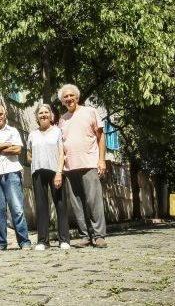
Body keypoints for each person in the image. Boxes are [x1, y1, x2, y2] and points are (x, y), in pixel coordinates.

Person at [58, 83, 108, 248]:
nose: (69, 99)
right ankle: (85, 236)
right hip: (70, 167)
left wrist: (101, 160)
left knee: (93, 202)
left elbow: (100, 137)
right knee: (77, 205)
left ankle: (99, 236)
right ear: (62, 101)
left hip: (89, 163)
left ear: (77, 97)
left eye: (71, 95)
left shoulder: (90, 112)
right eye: (65, 97)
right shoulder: (62, 119)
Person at [0, 105, 32, 250]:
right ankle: (1, 243)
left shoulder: (13, 131)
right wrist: (5, 145)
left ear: (5, 115)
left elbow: (17, 149)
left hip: (12, 172)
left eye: (0, 114)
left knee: (17, 208)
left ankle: (24, 241)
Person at [27, 104, 69, 250]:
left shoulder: (57, 131)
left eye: (46, 112)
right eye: (40, 113)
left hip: (54, 171)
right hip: (38, 172)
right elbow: (29, 154)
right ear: (37, 117)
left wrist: (59, 172)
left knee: (60, 204)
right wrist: (37, 160)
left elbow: (62, 153)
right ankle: (42, 241)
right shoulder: (32, 134)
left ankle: (64, 240)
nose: (43, 115)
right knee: (41, 206)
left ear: (51, 115)